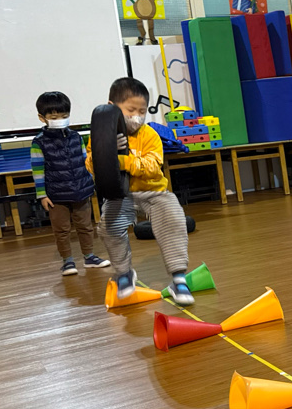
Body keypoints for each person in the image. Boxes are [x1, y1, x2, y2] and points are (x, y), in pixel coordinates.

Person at [87, 77, 194, 305]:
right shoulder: (99, 135)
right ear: (112, 108)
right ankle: (124, 273)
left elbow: (152, 166)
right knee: (108, 227)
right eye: (131, 110)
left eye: (142, 111)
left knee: (174, 220)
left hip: (154, 192)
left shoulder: (150, 135)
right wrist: (106, 152)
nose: (137, 116)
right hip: (121, 194)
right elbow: (91, 166)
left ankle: (178, 278)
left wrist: (122, 161)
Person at [30, 92, 111, 276]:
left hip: (81, 191)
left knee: (85, 226)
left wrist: (90, 184)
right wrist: (42, 195)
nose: (60, 120)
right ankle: (67, 261)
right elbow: (38, 171)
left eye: (64, 116)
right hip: (56, 195)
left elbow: (85, 162)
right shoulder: (39, 142)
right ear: (42, 118)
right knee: (61, 230)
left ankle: (89, 257)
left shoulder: (76, 137)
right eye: (54, 118)